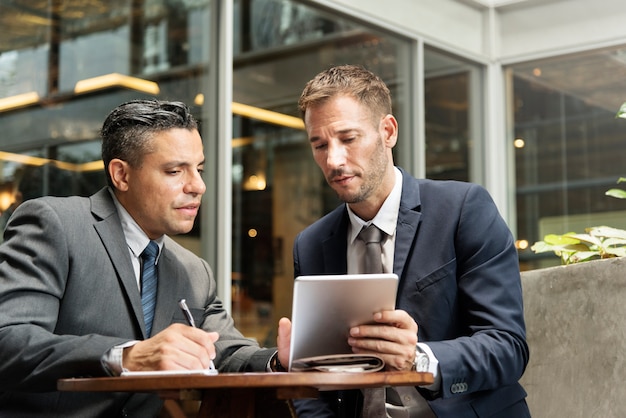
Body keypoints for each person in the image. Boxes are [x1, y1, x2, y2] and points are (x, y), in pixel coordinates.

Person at [0, 99, 290, 417]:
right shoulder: (56, 224)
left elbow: (228, 352)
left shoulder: (195, 272)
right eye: (175, 171)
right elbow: (9, 341)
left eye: (200, 169)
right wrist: (126, 356)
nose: (198, 186)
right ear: (121, 175)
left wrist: (279, 360)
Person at [289, 65, 530, 417]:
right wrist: (293, 360)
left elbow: (507, 347)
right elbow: (313, 383)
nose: (333, 160)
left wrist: (419, 359)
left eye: (348, 138)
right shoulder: (310, 245)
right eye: (319, 144)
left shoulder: (463, 209)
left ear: (387, 131)